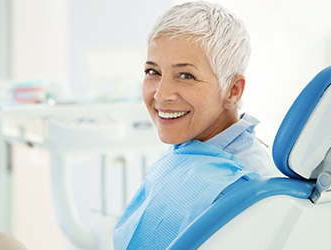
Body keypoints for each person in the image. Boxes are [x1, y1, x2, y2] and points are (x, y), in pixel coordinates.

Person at [113, 1, 278, 249]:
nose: (161, 94)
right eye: (152, 71)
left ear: (232, 91)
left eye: (186, 75)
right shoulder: (195, 148)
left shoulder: (239, 187)